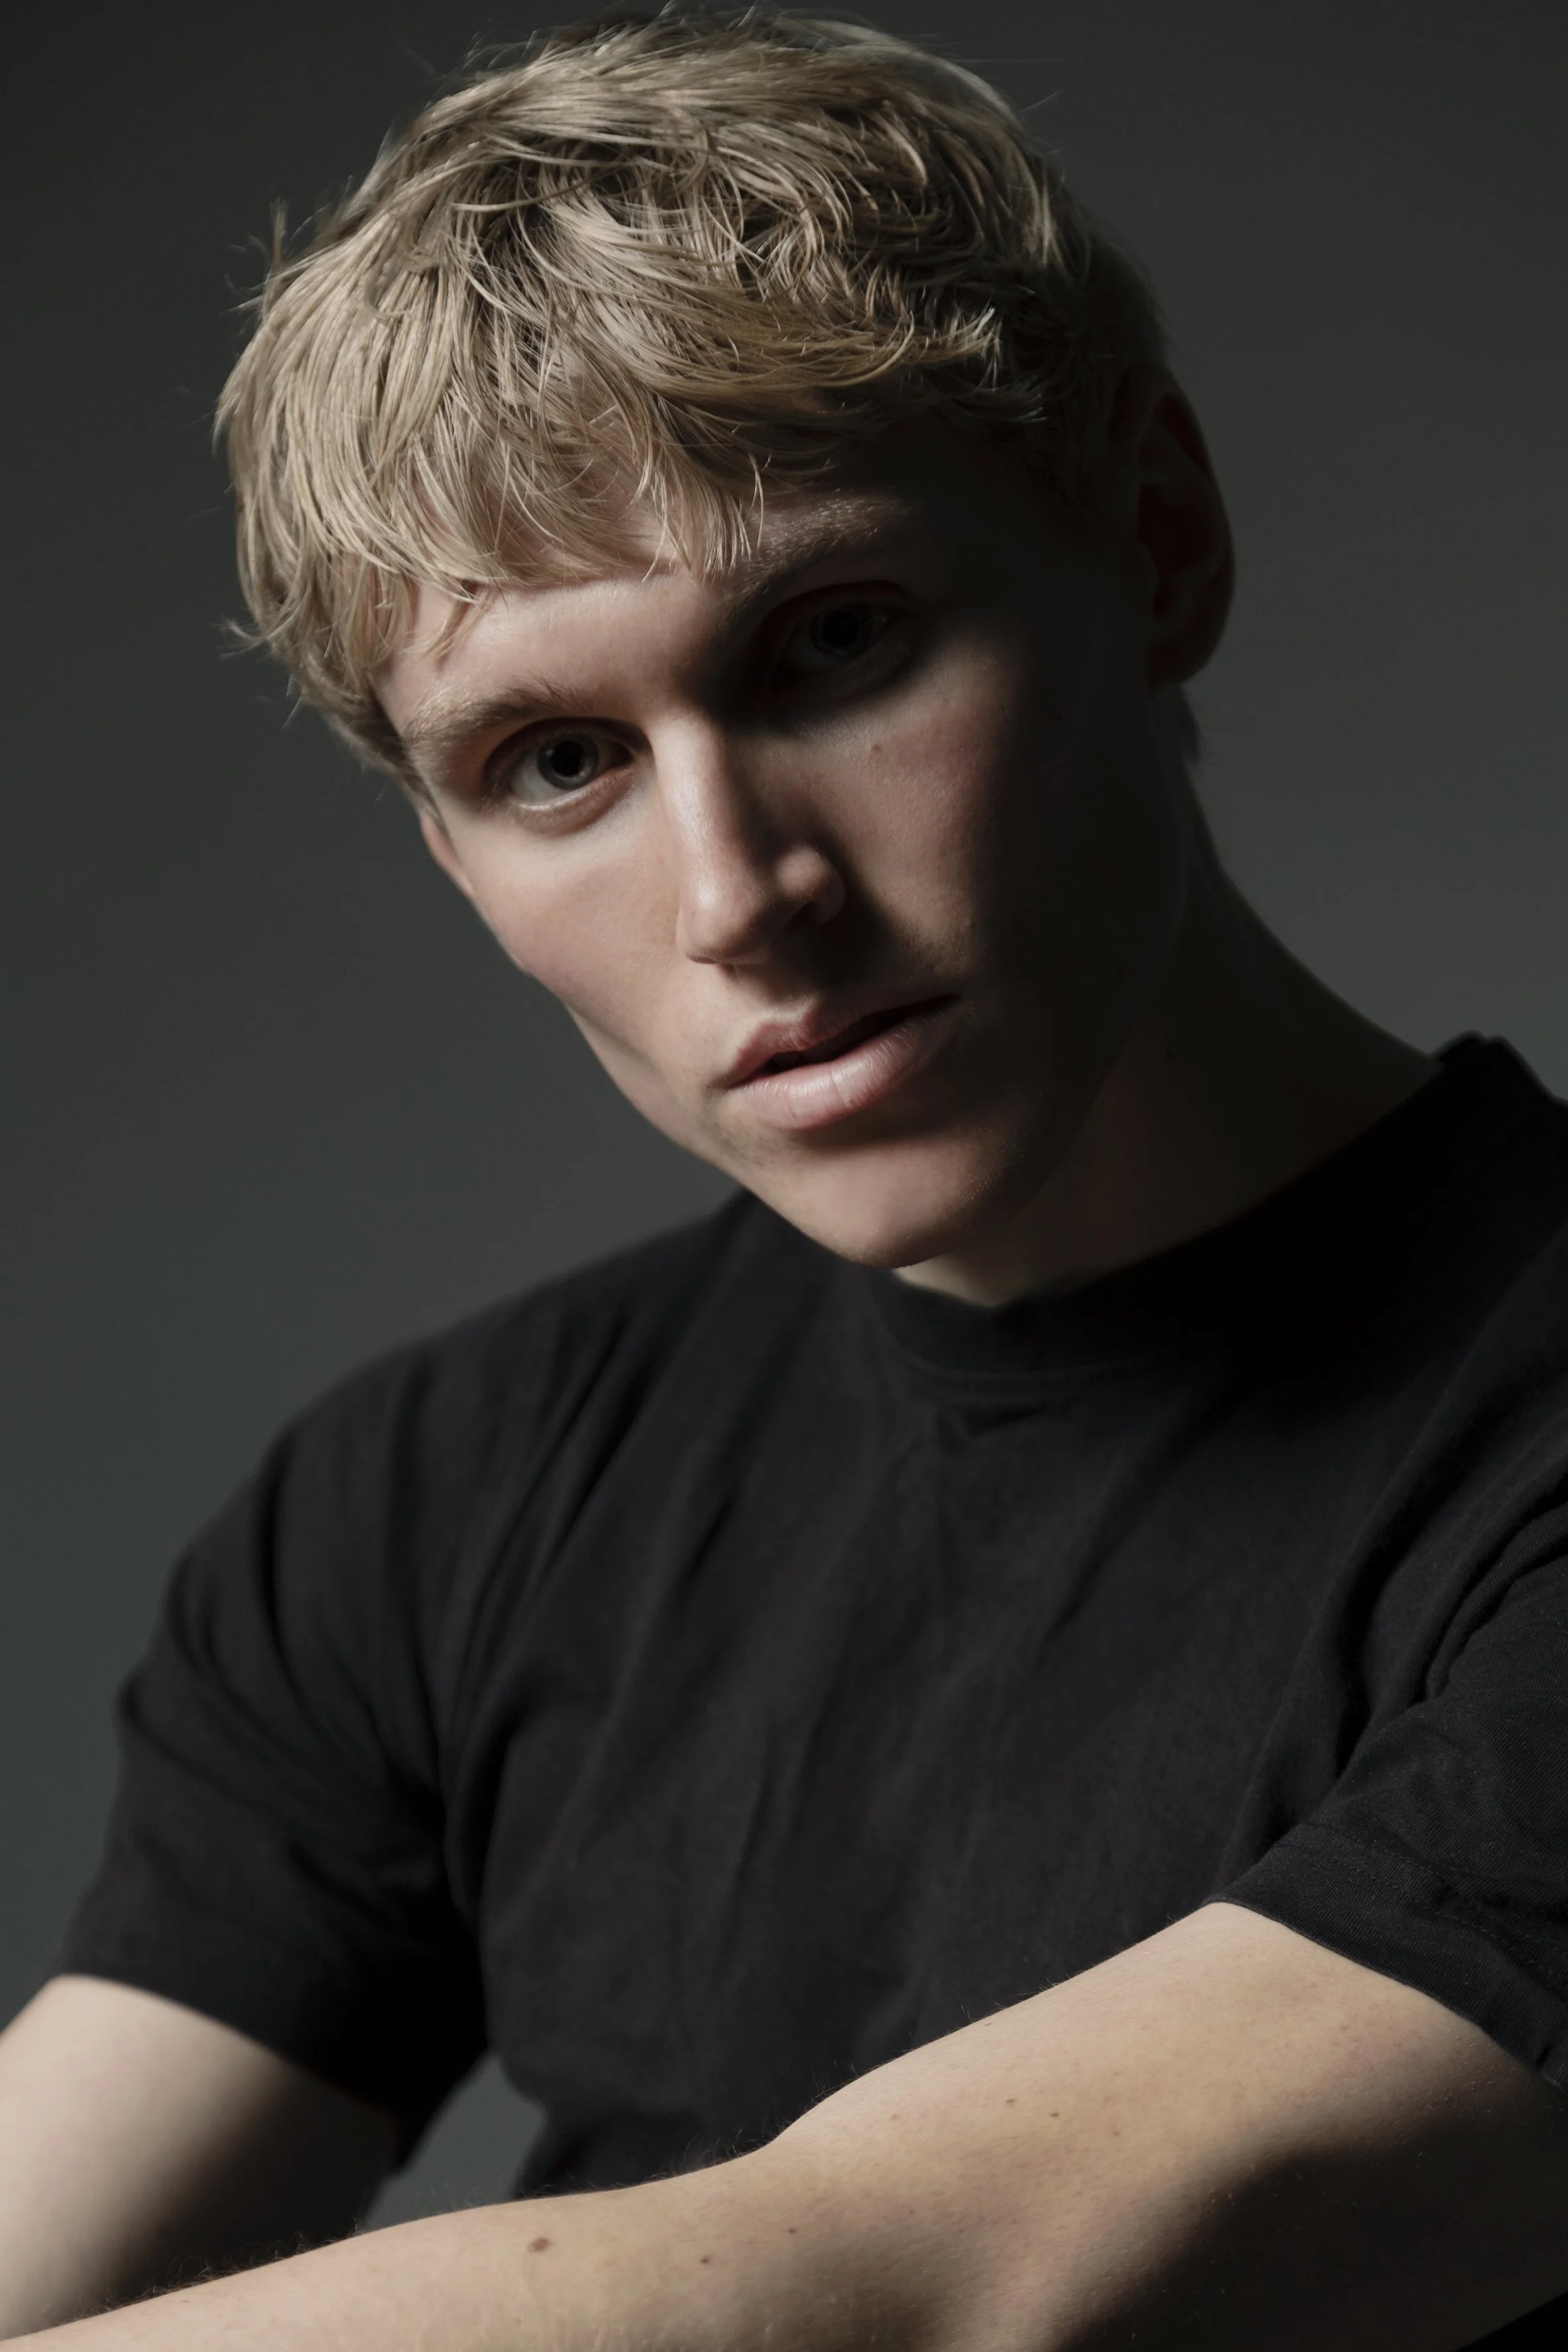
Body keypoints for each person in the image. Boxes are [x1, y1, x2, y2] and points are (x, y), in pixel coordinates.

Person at [3, 9, 1567, 2345]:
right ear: (446, 849)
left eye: (834, 642)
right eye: (556, 761)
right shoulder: (433, 1501)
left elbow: (929, 2289)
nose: (740, 894)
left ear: (1158, 541)